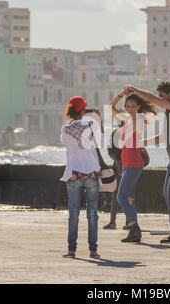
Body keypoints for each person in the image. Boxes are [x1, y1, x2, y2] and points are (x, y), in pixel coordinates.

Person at [124, 82, 170, 244]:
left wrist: (135, 89)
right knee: (168, 193)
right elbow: (162, 137)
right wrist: (142, 142)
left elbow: (152, 99)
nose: (159, 99)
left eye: (161, 95)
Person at [110, 90, 158, 243]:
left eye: (133, 106)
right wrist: (120, 94)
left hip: (134, 162)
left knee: (121, 196)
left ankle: (134, 227)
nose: (130, 108)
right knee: (128, 197)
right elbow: (110, 107)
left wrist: (121, 140)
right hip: (127, 162)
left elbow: (121, 142)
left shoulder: (137, 120)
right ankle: (134, 230)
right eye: (128, 106)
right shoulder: (128, 119)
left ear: (138, 107)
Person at [60, 96, 103, 259]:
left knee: (73, 214)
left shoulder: (65, 129)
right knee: (92, 214)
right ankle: (93, 250)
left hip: (73, 175)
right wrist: (98, 119)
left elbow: (64, 141)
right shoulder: (92, 125)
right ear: (84, 111)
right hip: (92, 175)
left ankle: (71, 250)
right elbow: (103, 140)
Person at [102, 126, 129, 230]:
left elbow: (110, 151)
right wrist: (118, 162)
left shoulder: (118, 133)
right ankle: (126, 222)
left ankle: (117, 222)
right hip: (123, 166)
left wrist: (118, 162)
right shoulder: (121, 133)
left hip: (122, 166)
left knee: (118, 195)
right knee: (123, 195)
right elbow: (110, 151)